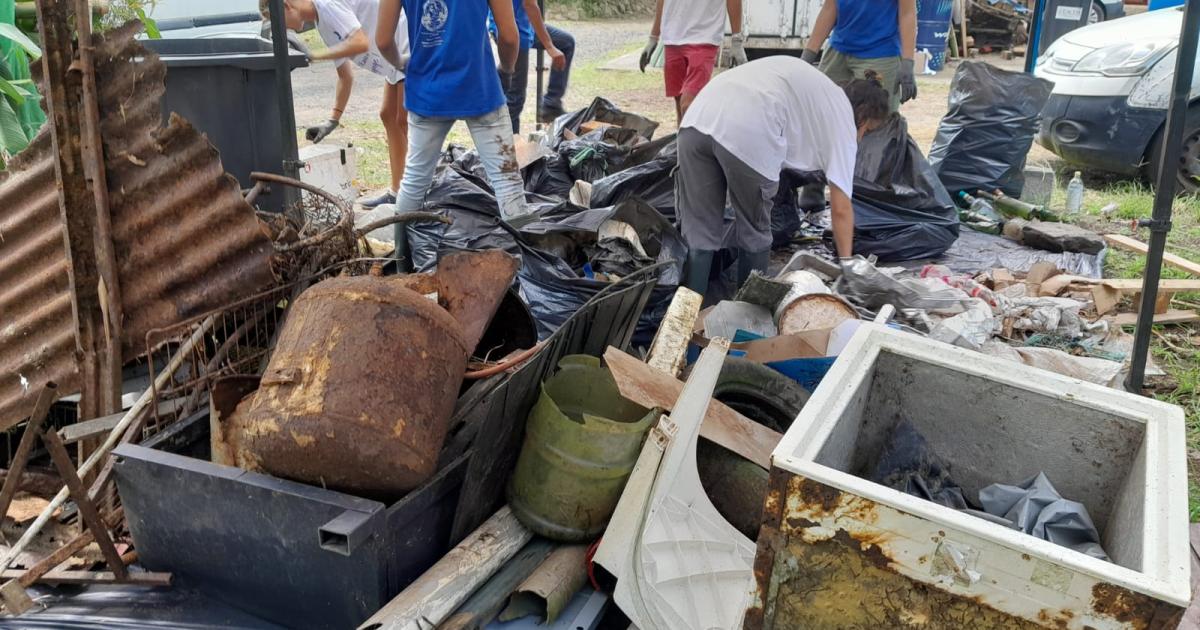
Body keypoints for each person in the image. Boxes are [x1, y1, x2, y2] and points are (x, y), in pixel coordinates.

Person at [674, 57, 891, 296]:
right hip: (749, 128)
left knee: (699, 232)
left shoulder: (818, 89)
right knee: (754, 232)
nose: (860, 138)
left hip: (697, 118)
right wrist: (848, 264)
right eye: (866, 130)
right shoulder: (841, 115)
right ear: (862, 114)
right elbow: (840, 208)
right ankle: (747, 319)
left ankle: (684, 319)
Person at [376, 0, 532, 226]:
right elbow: (509, 37)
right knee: (506, 179)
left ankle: (403, 256)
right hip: (480, 88)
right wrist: (506, 70)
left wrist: (401, 64)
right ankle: (529, 256)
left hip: (427, 91)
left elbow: (382, 40)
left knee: (414, 181)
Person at [275, 0, 411, 209]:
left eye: (277, 20)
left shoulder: (326, 5)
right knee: (388, 115)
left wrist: (315, 55)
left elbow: (360, 42)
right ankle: (397, 191)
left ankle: (419, 191)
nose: (282, 28)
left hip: (403, 40)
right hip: (391, 55)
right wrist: (332, 120)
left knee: (404, 120)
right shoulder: (322, 22)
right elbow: (345, 77)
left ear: (285, 5)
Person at [638, 0, 747, 124]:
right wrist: (653, 37)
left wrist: (736, 40)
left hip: (704, 38)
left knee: (688, 104)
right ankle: (683, 141)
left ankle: (693, 141)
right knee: (680, 106)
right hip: (673, 37)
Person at [802, 0, 918, 111]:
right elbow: (830, 8)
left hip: (880, 55)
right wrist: (807, 57)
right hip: (837, 51)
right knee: (826, 112)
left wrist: (907, 62)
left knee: (876, 121)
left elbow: (907, 14)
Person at [488, 0, 576, 132]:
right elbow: (530, 5)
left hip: (525, 26)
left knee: (566, 42)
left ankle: (551, 103)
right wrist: (550, 46)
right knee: (515, 98)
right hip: (513, 31)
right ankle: (508, 146)